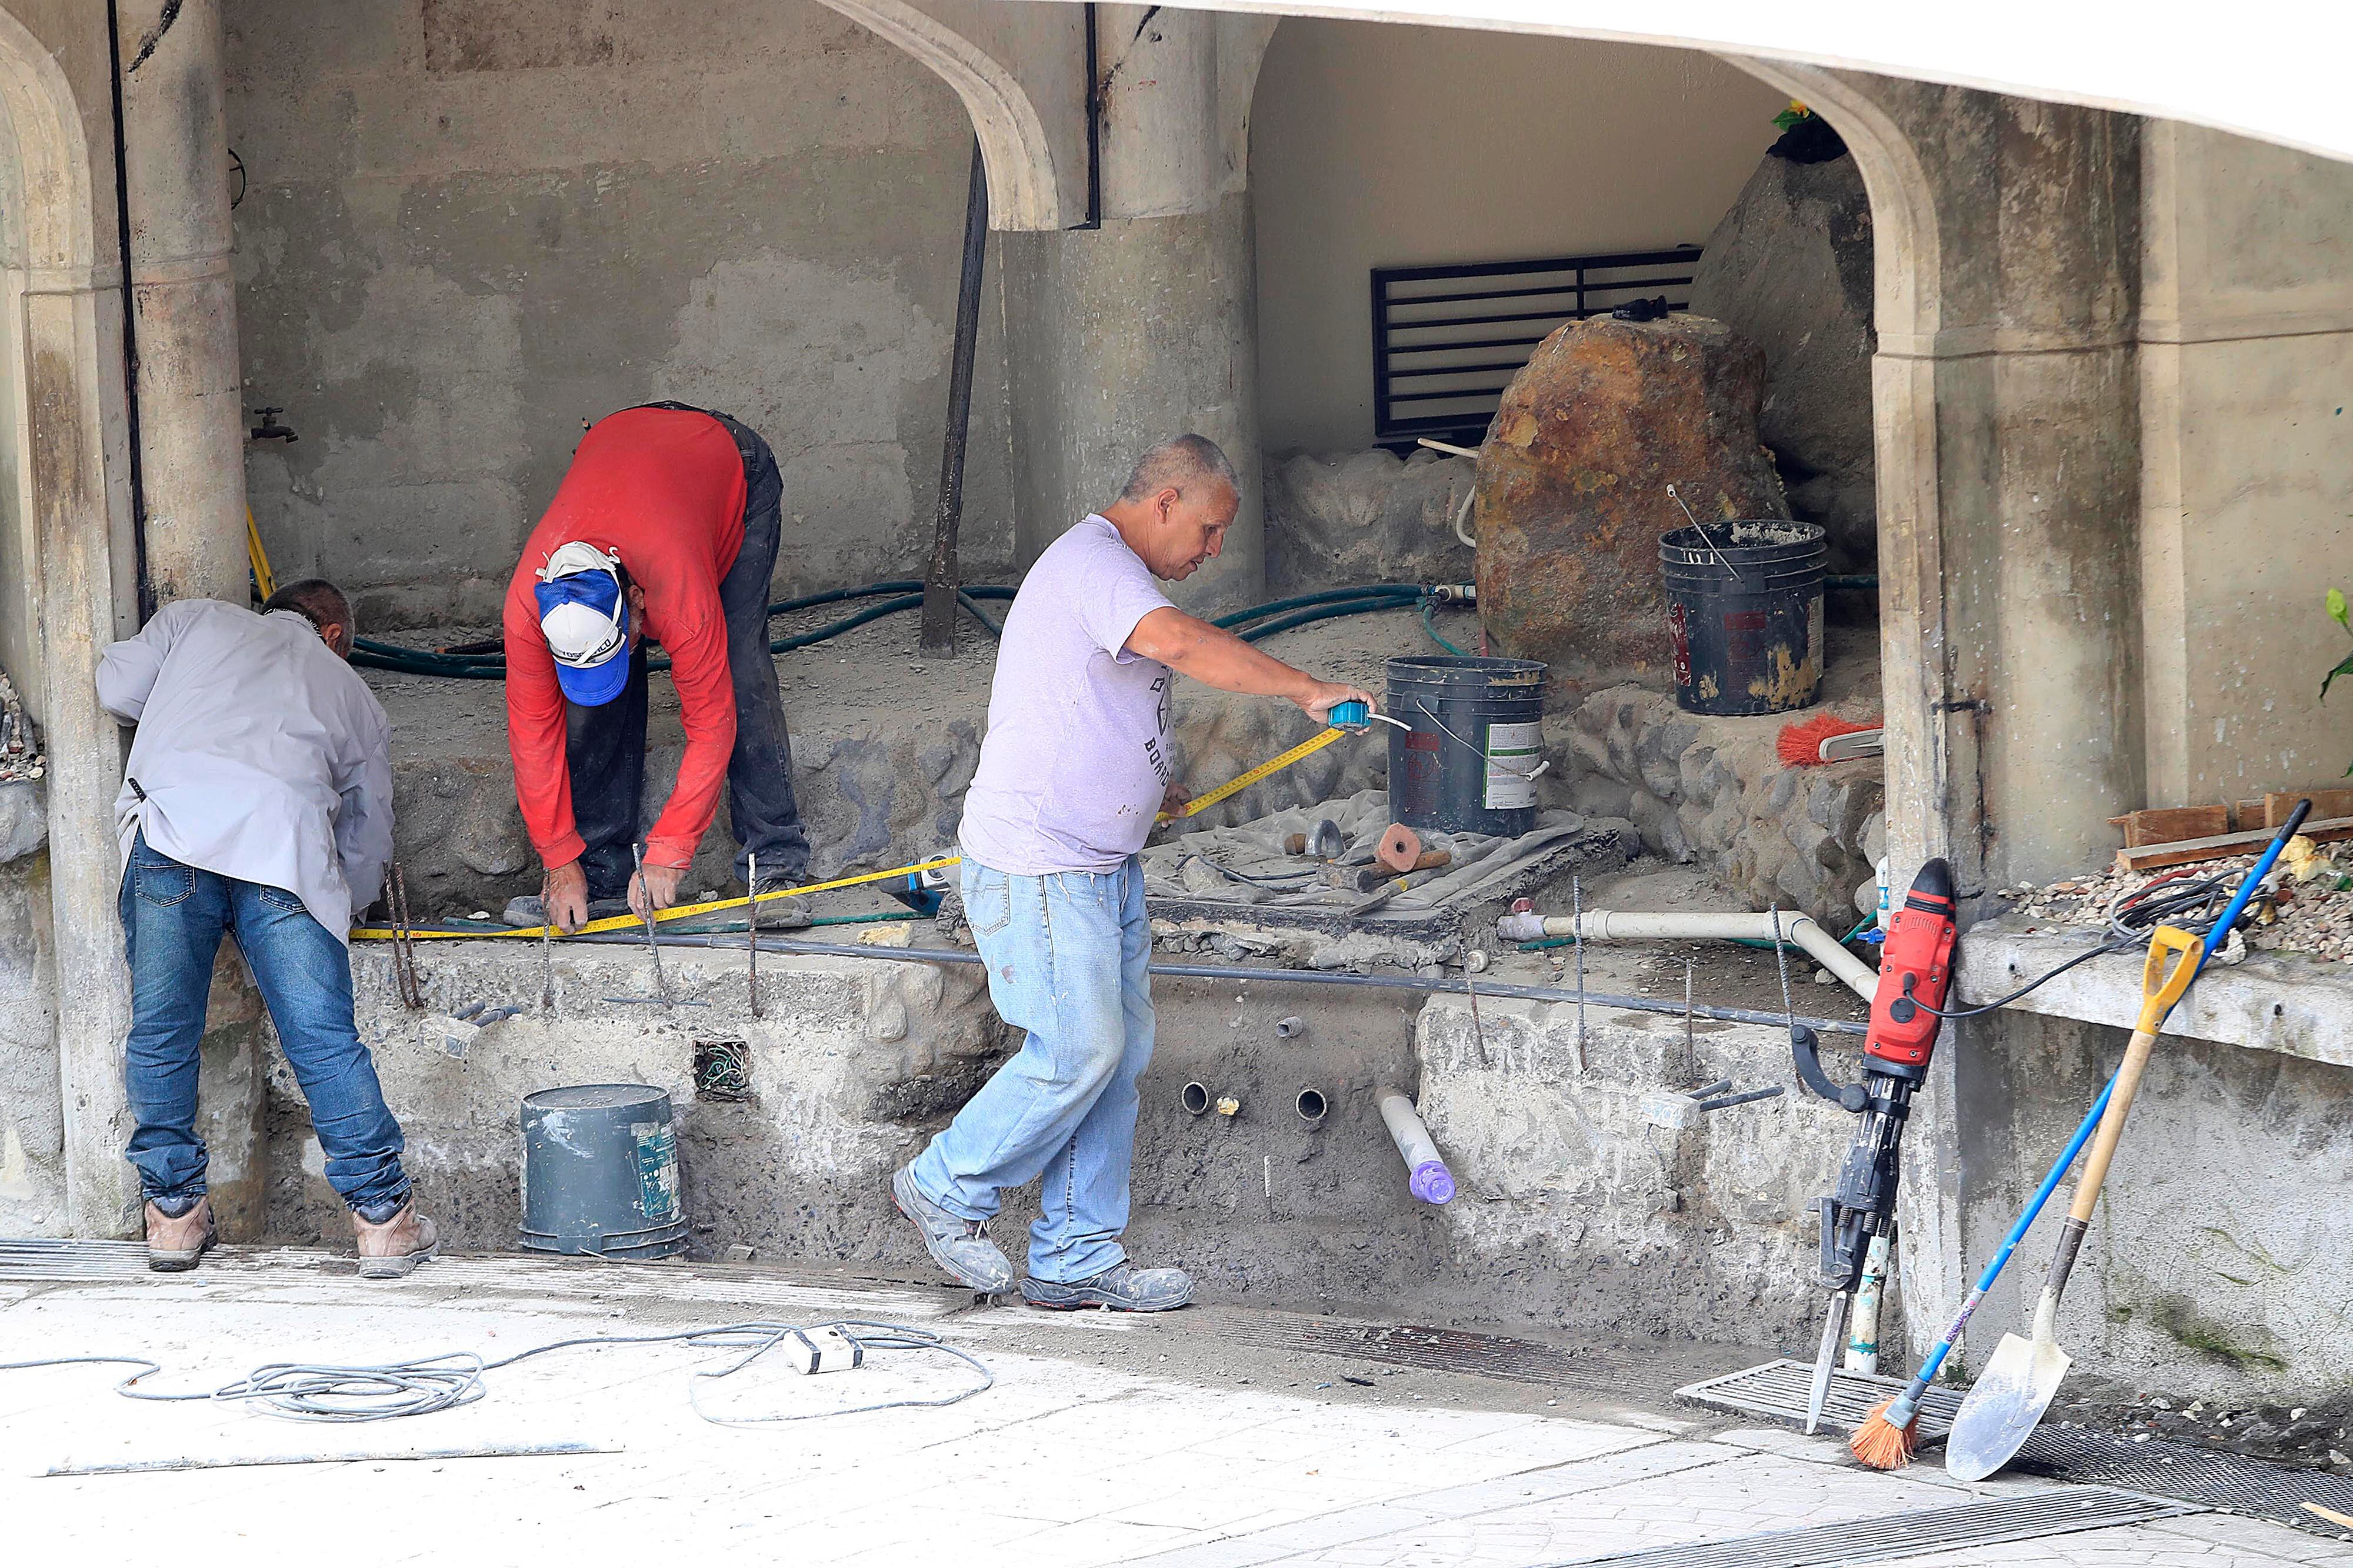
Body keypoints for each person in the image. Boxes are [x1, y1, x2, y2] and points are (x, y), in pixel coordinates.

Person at [892, 435, 1376, 1311]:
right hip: (1042, 864)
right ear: (1166, 502)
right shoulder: (1095, 564)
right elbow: (1179, 646)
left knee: (1115, 1063)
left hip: (1099, 864)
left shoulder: (1112, 574)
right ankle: (945, 1185)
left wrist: (1145, 783)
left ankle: (1074, 1253)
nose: (1214, 549)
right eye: (1210, 527)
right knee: (1081, 1049)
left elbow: (1096, 702)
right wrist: (1303, 687)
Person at [96, 582, 435, 1277]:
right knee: (323, 1041)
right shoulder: (352, 693)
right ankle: (382, 1222)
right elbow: (367, 836)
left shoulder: (194, 619)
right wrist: (356, 903)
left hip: (172, 836)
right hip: (283, 853)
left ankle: (172, 1220)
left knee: (162, 1031)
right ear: (336, 634)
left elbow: (115, 688)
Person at [502, 402, 810, 932]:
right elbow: (533, 735)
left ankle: (775, 863)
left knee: (738, 666)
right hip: (626, 446)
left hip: (727, 462)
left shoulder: (680, 595)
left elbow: (712, 722)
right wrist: (559, 861)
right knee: (593, 705)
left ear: (639, 602)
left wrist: (671, 849)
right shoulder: (530, 608)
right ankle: (596, 876)